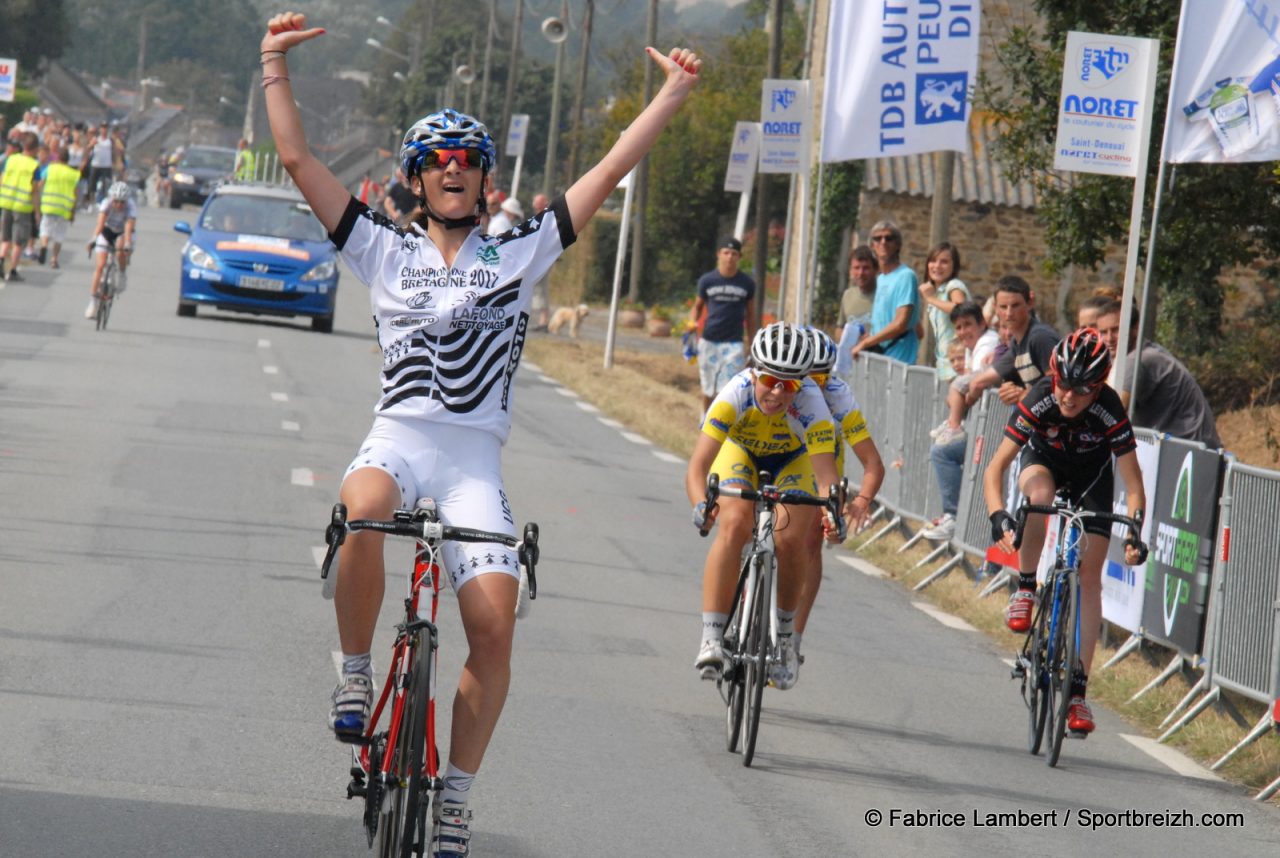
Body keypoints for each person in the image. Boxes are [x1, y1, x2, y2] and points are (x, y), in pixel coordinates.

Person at [259, 12, 700, 853]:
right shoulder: (381, 249)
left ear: (487, 181)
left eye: (468, 163)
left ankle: (455, 796)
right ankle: (355, 675)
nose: (454, 171)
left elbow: (607, 170)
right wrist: (273, 63)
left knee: (494, 626)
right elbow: (298, 160)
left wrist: (673, 92)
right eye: (439, 162)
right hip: (398, 437)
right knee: (361, 510)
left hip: (471, 463)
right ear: (416, 179)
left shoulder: (519, 251)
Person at [984, 328, 1148, 735]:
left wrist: (1134, 534)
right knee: (1039, 494)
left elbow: (1133, 482)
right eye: (1063, 385)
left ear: (1099, 388)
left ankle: (1077, 693)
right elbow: (995, 468)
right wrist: (998, 515)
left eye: (1082, 389)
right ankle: (1025, 588)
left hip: (1091, 479)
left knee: (1090, 578)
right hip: (1045, 463)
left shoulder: (1110, 408)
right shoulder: (1040, 395)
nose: (1069, 397)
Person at [685, 322, 841, 688]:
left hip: (793, 460)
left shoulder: (812, 405)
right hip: (741, 453)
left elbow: (825, 475)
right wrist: (701, 505)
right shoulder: (734, 394)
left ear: (800, 383)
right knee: (735, 522)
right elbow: (698, 466)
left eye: (788, 384)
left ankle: (784, 637)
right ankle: (711, 637)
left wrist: (832, 511)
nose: (776, 392)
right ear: (754, 372)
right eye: (770, 380)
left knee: (790, 538)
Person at [793, 328, 885, 679]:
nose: (813, 385)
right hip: (781, 460)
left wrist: (861, 500)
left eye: (821, 376)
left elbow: (872, 462)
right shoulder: (781, 387)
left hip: (823, 468)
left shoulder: (837, 394)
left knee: (812, 544)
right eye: (806, 377)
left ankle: (794, 637)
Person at [1093, 300, 1222, 448]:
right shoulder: (1145, 351)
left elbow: (1112, 413)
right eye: (1103, 332)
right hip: (1186, 448)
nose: (1109, 338)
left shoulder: (1138, 360)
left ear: (1135, 328)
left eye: (1116, 330)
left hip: (1186, 452)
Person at [921, 301, 1001, 541]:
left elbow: (971, 387)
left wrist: (959, 401)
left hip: (992, 428)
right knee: (941, 451)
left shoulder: (987, 342)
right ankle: (954, 516)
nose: (963, 332)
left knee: (943, 452)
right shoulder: (971, 347)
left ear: (982, 324)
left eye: (968, 325)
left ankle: (954, 516)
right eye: (958, 327)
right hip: (980, 423)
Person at [961, 275, 1059, 408]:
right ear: (995, 308)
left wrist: (1024, 395)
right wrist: (969, 401)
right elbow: (980, 381)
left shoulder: (1040, 337)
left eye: (1015, 305)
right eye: (1003, 306)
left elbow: (1059, 382)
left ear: (1030, 303)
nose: (1009, 313)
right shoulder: (1015, 343)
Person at [688, 236, 757, 411]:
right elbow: (697, 307)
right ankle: (705, 418)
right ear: (719, 254)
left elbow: (750, 314)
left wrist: (752, 343)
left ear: (739, 257)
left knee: (727, 389)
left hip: (734, 342)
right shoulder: (708, 281)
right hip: (709, 340)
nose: (729, 257)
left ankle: (718, 424)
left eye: (734, 254)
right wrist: (691, 326)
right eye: (726, 253)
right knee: (708, 388)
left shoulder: (746, 283)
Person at [849, 219, 919, 364]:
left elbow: (900, 324)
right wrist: (870, 337)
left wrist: (865, 344)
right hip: (880, 357)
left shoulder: (906, 276)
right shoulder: (880, 279)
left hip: (899, 359)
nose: (883, 242)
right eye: (878, 238)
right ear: (872, 245)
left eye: (889, 238)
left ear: (898, 245)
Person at [918, 242, 970, 379]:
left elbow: (961, 309)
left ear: (954, 266)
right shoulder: (937, 292)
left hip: (961, 362)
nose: (937, 266)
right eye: (933, 261)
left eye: (944, 262)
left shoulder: (954, 286)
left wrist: (930, 299)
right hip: (946, 363)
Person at [85, 181, 136, 318]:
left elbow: (128, 227)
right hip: (107, 231)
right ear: (112, 199)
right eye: (116, 202)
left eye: (122, 202)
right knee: (100, 266)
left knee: (120, 247)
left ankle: (122, 272)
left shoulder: (131, 207)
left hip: (123, 233)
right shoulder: (106, 203)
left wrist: (127, 245)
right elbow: (100, 224)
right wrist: (94, 239)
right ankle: (93, 302)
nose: (119, 205)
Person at [0, 132, 41, 283]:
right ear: (35, 148)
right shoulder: (33, 166)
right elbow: (35, 191)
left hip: (6, 203)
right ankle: (12, 270)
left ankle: (1, 259)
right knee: (18, 241)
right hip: (22, 206)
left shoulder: (11, 159)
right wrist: (37, 212)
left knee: (5, 238)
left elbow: (2, 179)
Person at [834, 244, 876, 377]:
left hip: (876, 366)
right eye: (856, 268)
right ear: (850, 270)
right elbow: (839, 328)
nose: (861, 273)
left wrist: (872, 339)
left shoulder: (883, 295)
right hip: (851, 368)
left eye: (866, 268)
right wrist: (850, 338)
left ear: (875, 270)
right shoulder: (848, 295)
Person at [38, 146, 79, 269]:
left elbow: (40, 184)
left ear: (58, 158)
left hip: (49, 205)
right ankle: (54, 259)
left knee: (45, 229)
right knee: (59, 235)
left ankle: (44, 246)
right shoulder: (74, 174)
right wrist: (73, 212)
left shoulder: (49, 169)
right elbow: (75, 195)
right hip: (64, 208)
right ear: (68, 159)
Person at [528, 193, 552, 330]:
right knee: (537, 288)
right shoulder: (540, 217)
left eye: (538, 206)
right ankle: (542, 319)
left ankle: (544, 321)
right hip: (538, 257)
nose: (535, 208)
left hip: (543, 258)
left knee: (540, 289)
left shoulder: (547, 218)